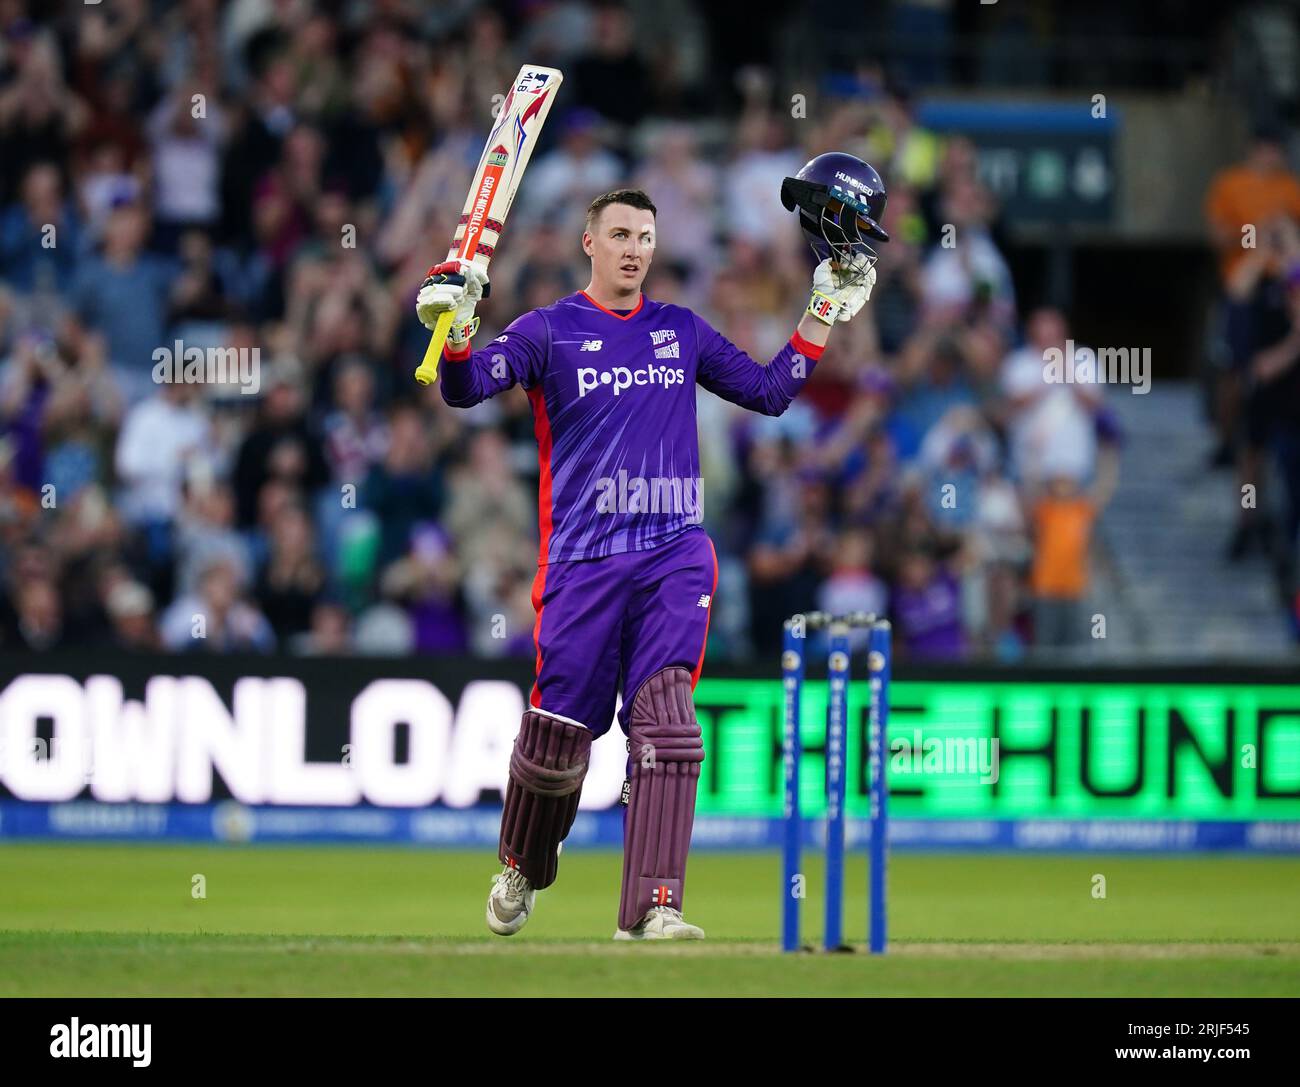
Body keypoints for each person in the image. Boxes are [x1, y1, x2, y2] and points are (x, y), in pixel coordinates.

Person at [415, 153, 886, 940]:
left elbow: (769, 394)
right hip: (581, 563)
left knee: (668, 728)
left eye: (647, 236)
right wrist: (458, 331)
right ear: (589, 244)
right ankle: (522, 867)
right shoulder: (548, 330)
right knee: (557, 746)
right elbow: (464, 389)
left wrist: (822, 315)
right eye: (622, 234)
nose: (636, 248)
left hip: (672, 553)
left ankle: (654, 907)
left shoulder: (680, 330)